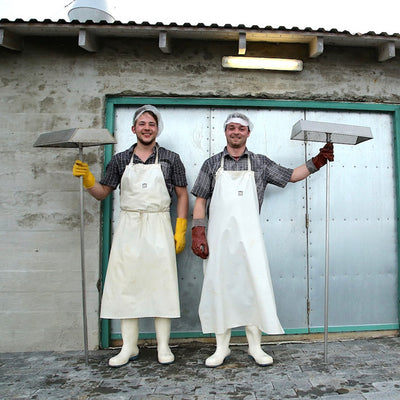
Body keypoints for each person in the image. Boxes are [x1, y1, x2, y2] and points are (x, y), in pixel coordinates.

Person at [191, 112, 333, 368]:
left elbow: (290, 175)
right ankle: (221, 348)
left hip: (250, 239)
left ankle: (255, 347)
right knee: (218, 287)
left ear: (248, 133)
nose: (236, 132)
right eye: (231, 128)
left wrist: (318, 161)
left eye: (241, 129)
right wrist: (198, 231)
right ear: (225, 132)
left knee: (253, 288)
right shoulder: (211, 164)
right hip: (218, 240)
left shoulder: (260, 163)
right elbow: (200, 200)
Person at [72, 105, 189, 367]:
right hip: (129, 226)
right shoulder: (120, 159)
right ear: (133, 128)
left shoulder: (171, 158)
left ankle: (163, 347)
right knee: (127, 285)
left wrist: (180, 229)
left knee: (162, 283)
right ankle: (128, 347)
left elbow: (182, 195)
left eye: (152, 124)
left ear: (157, 129)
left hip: (159, 224)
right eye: (142, 123)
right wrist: (88, 180)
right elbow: (103, 192)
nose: (147, 128)